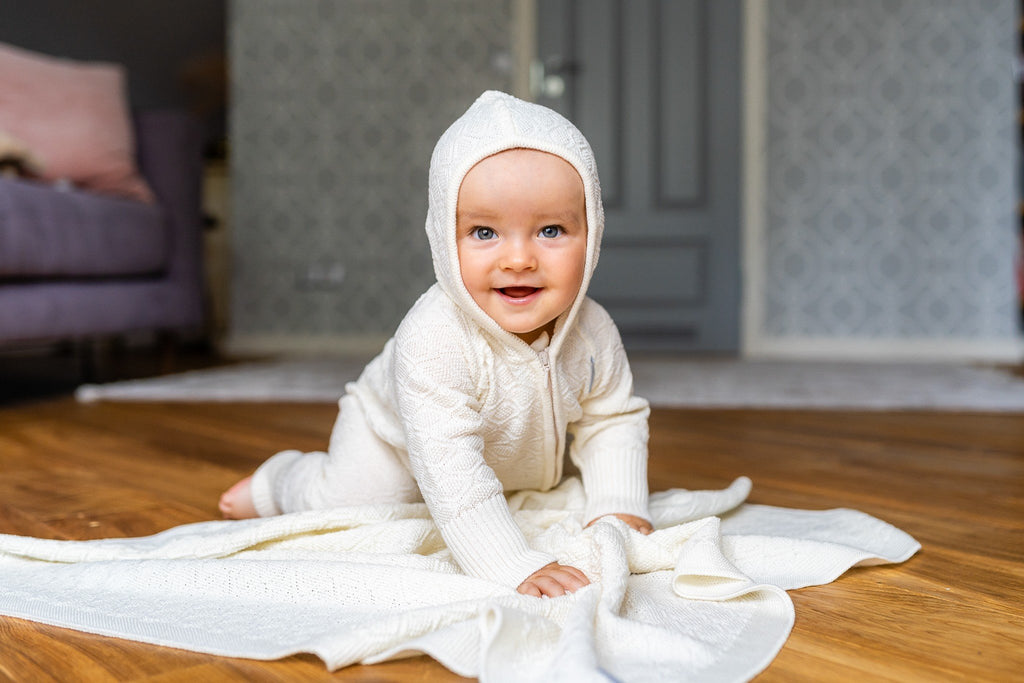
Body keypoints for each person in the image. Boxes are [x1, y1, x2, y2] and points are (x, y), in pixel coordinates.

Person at [219, 91, 652, 598]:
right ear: (445, 239)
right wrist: (510, 561)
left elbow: (612, 419)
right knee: (350, 508)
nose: (518, 259)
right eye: (485, 232)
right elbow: (450, 463)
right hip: (391, 442)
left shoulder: (593, 331)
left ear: (592, 233)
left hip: (505, 459)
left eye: (550, 230)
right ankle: (280, 481)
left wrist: (619, 505)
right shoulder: (433, 337)